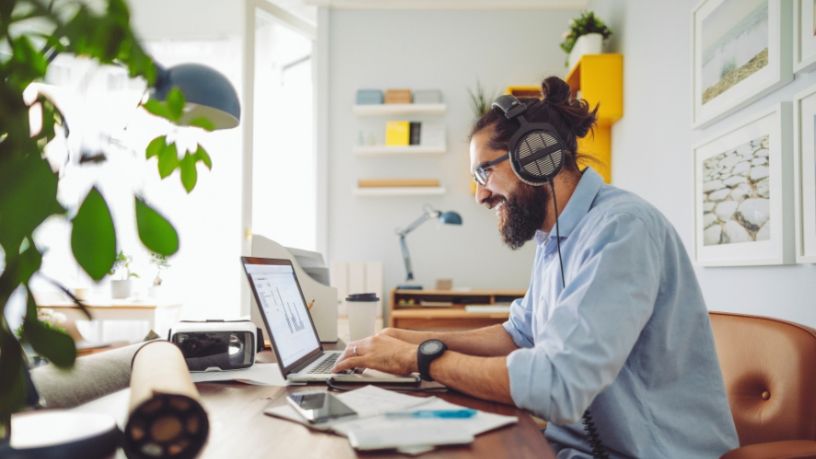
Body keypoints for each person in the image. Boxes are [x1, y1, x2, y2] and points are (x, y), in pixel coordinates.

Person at [333, 76, 738, 458]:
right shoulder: (555, 238)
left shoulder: (621, 229)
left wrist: (418, 358)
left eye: (483, 172)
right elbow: (519, 335)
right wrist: (401, 338)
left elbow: (556, 385)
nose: (479, 196)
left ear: (535, 155)